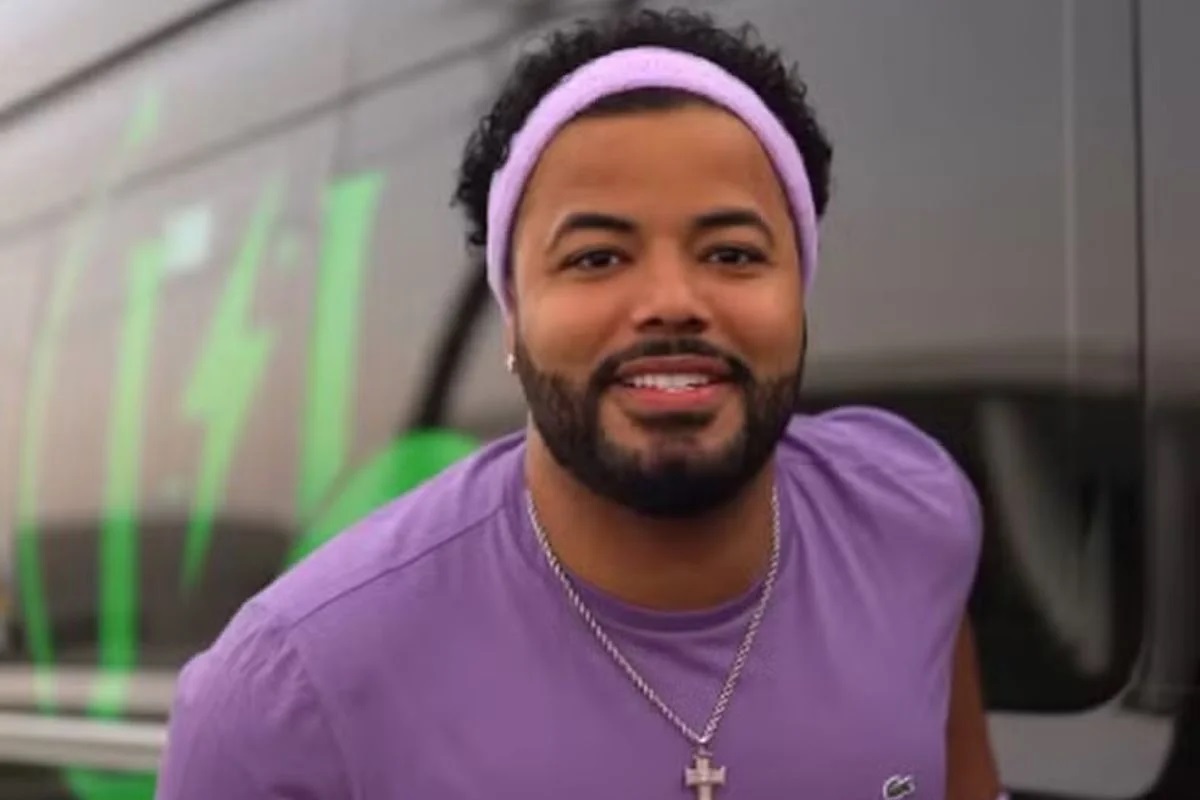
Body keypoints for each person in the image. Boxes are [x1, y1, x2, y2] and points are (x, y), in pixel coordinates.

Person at [155, 8, 1005, 799]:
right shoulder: (290, 695)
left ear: (799, 292)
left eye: (733, 254)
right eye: (597, 258)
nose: (672, 301)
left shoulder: (909, 514)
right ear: (513, 315)